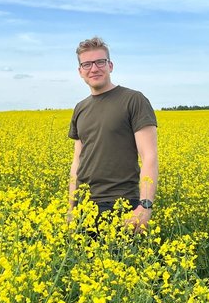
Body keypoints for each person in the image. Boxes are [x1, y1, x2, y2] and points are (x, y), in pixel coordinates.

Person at [68, 37, 158, 234]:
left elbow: (149, 157)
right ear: (80, 71)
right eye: (87, 64)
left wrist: (145, 206)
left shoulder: (133, 100)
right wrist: (72, 208)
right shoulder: (80, 108)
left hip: (123, 205)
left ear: (110, 65)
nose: (94, 68)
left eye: (100, 62)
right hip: (86, 207)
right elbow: (77, 162)